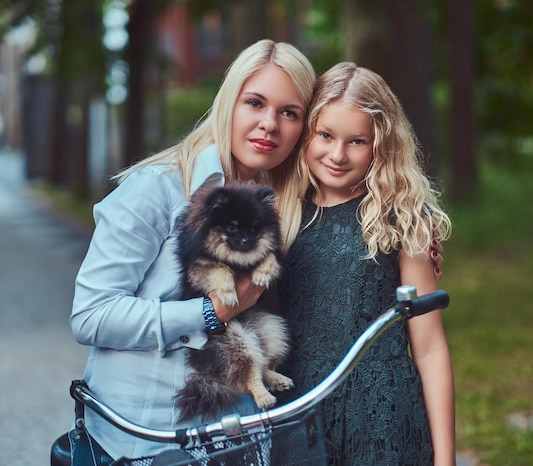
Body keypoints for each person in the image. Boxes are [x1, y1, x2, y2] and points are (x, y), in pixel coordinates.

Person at [68, 39, 317, 464]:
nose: (269, 124)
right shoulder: (157, 188)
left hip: (238, 434)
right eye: (254, 103)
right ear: (227, 104)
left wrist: (413, 234)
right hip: (146, 440)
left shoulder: (279, 206)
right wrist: (209, 313)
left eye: (289, 112)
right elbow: (90, 316)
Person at [277, 62, 455, 465]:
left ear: (381, 145)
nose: (337, 154)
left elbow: (429, 348)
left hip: (381, 417)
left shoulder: (401, 219)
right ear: (307, 133)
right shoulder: (281, 211)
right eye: (325, 135)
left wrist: (446, 460)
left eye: (357, 141)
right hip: (296, 410)